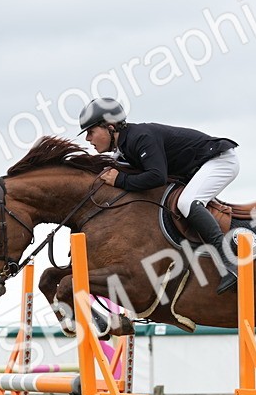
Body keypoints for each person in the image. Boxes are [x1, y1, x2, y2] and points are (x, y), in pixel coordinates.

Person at [79, 97, 240, 294]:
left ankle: (228, 262)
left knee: (187, 202)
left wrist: (120, 180)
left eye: (91, 131)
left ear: (110, 127)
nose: (87, 138)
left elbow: (156, 176)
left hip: (220, 161)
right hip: (197, 168)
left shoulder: (140, 137)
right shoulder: (123, 148)